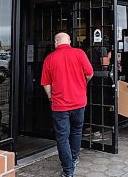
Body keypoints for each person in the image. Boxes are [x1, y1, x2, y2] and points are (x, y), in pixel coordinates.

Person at [41, 33, 94, 177]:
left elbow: (46, 83)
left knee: (62, 137)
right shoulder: (79, 53)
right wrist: (82, 84)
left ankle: (68, 170)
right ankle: (75, 158)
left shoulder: (50, 58)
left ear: (56, 42)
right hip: (79, 102)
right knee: (77, 131)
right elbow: (90, 73)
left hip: (60, 105)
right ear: (69, 41)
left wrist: (51, 97)